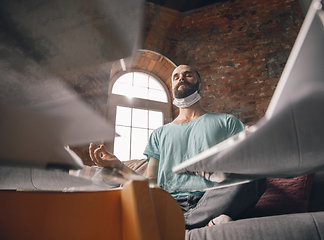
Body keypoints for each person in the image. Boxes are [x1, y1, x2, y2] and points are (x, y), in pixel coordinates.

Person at [89, 65, 266, 229]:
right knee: (101, 176)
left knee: (255, 174)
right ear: (172, 86)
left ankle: (181, 223)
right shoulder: (159, 134)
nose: (181, 78)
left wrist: (254, 140)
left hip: (212, 197)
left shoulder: (227, 122)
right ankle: (201, 222)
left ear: (200, 85)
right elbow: (150, 184)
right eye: (175, 77)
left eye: (187, 74)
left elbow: (245, 158)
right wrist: (117, 165)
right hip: (168, 203)